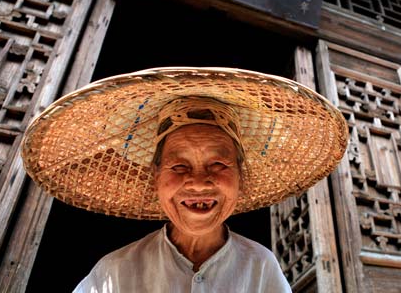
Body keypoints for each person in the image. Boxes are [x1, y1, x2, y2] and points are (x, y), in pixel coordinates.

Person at [21, 67, 349, 292]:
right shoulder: (115, 272)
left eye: (218, 164)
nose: (198, 182)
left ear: (241, 177)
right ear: (155, 177)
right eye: (179, 167)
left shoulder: (261, 267)